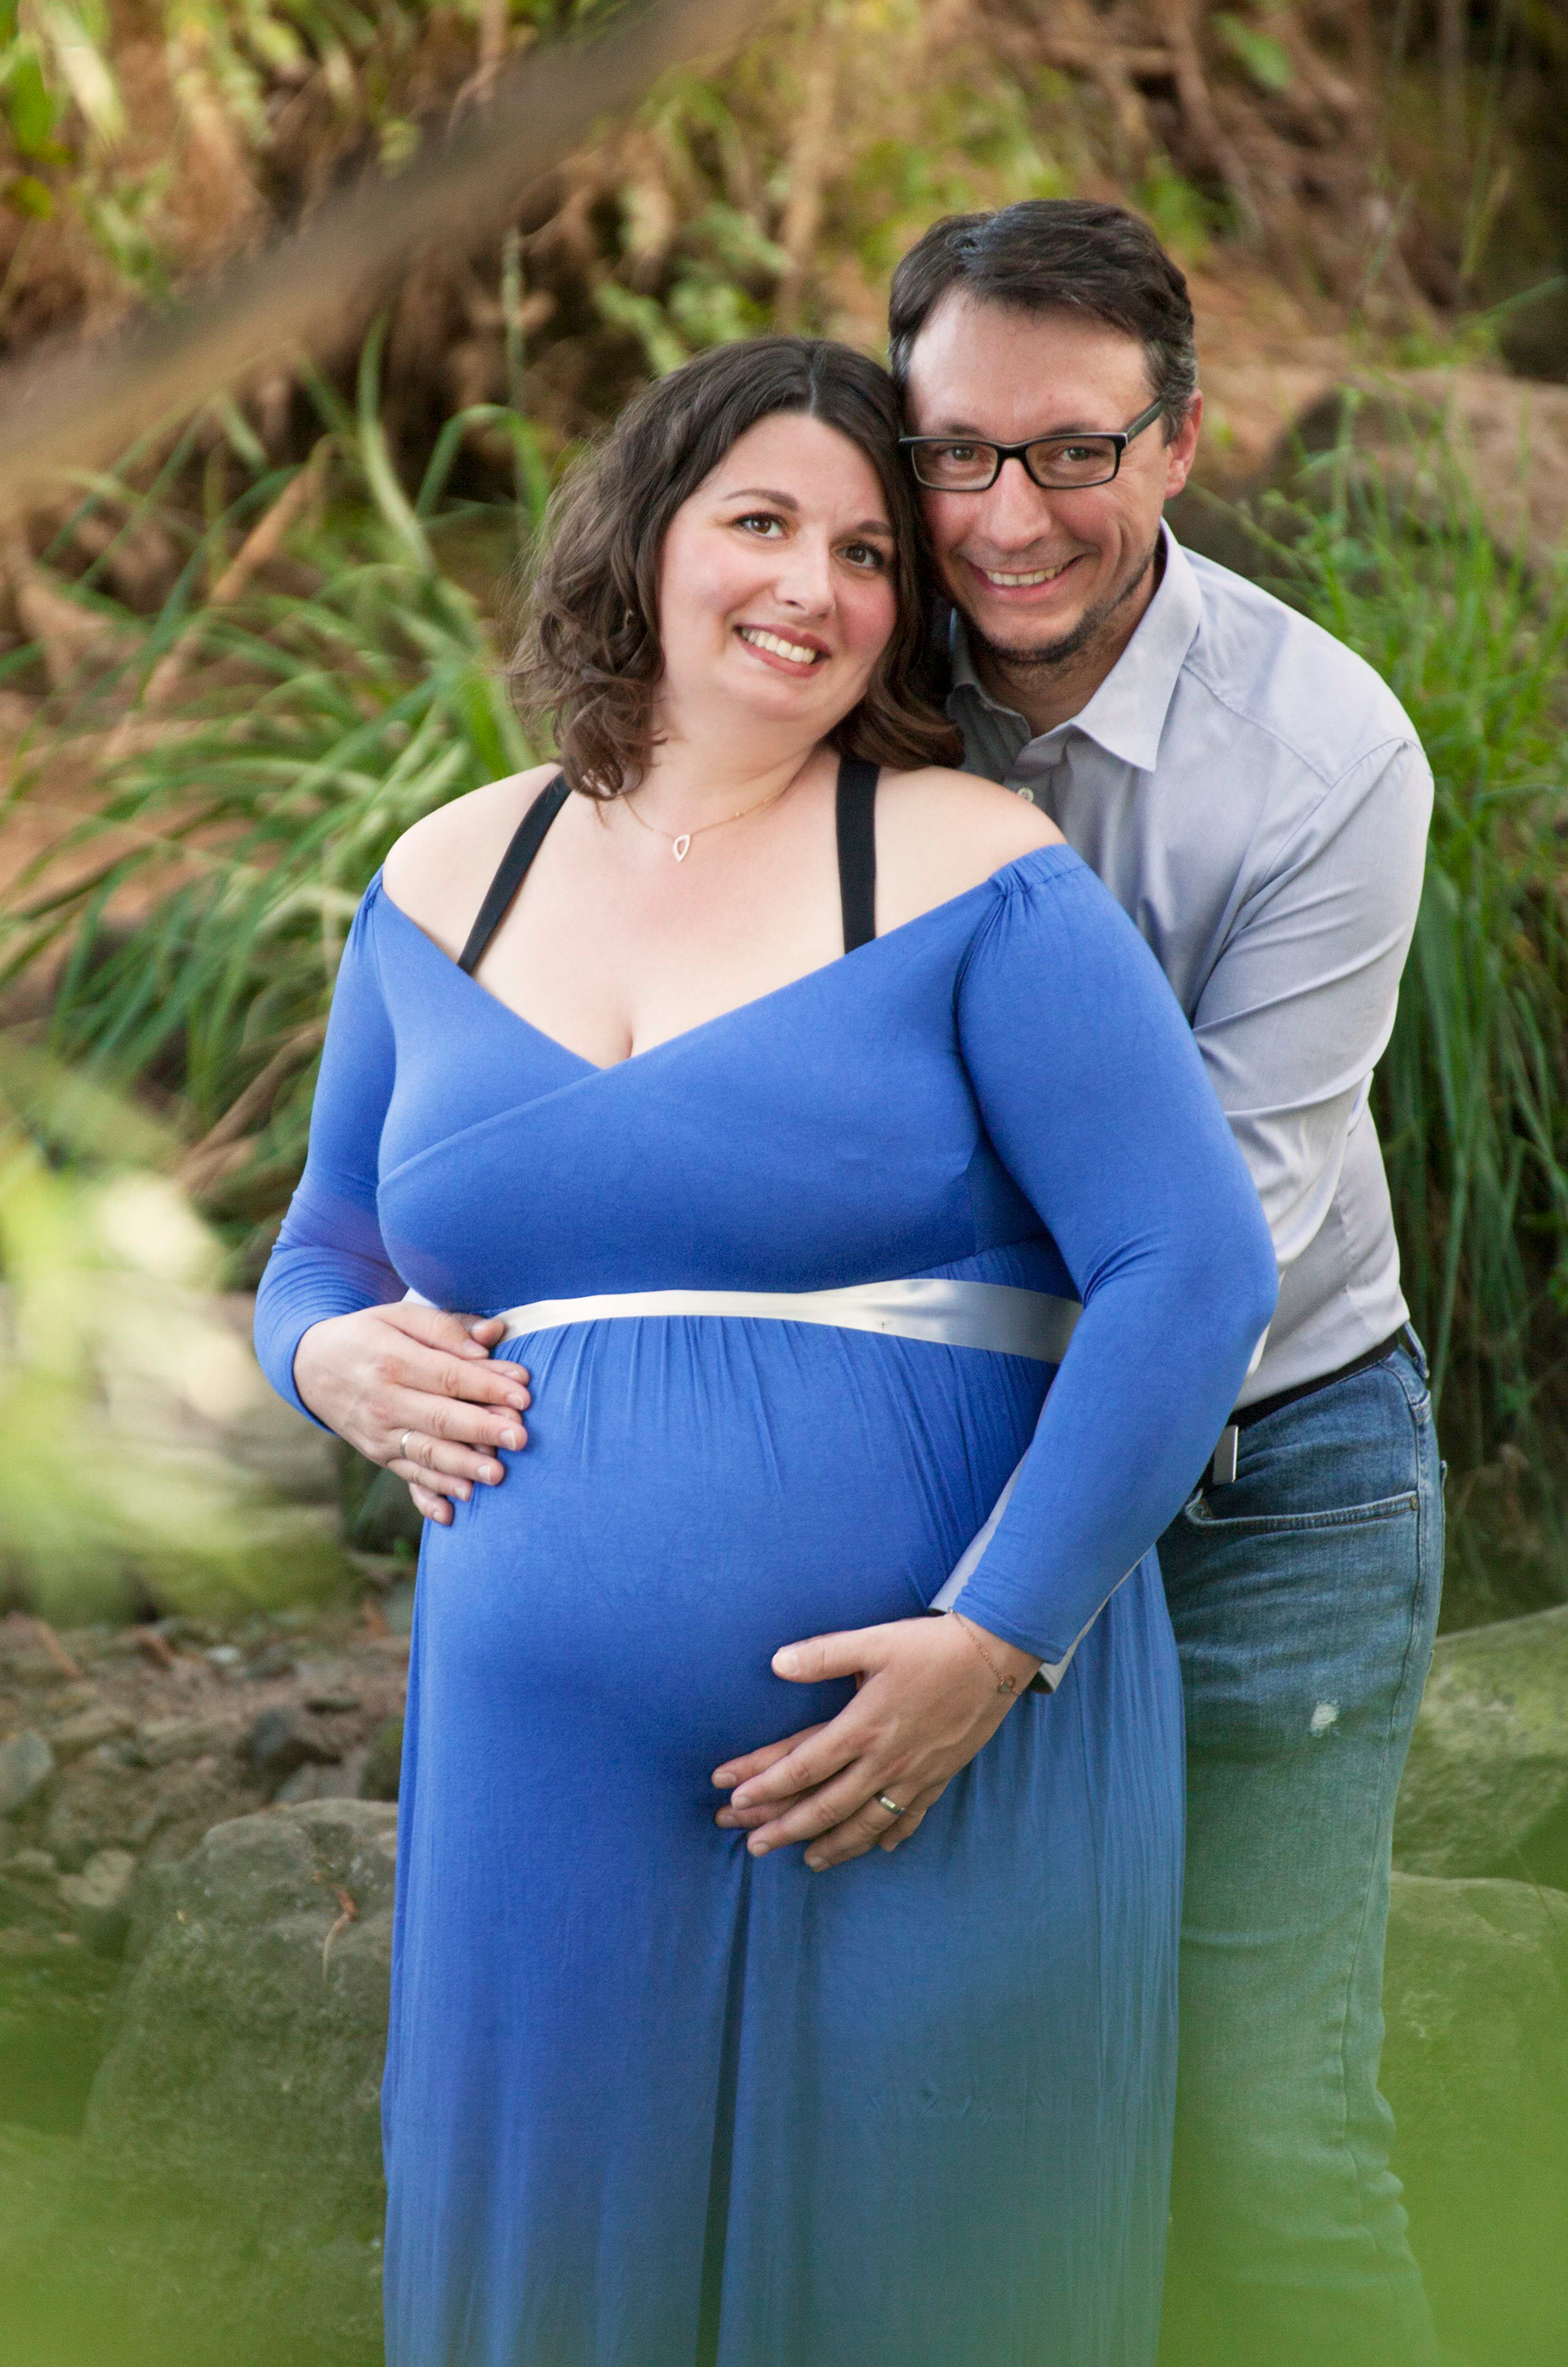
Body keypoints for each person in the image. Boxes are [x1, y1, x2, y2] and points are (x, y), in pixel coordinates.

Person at [255, 333, 1276, 2366]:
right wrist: (326, 1363)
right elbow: (319, 1253)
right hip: (537, 1748)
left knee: (927, 2287)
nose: (814, 585)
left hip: (923, 1741)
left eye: (869, 552)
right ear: (648, 537)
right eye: (761, 523)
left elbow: (1189, 1266)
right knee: (553, 2290)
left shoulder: (971, 864)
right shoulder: (445, 877)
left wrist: (998, 1642)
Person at [880, 202, 1443, 2367]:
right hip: (916, 1447)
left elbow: (1222, 1242)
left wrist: (1003, 1616)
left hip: (1263, 1490)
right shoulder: (833, 658)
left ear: (1183, 443)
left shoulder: (1320, 755)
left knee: (1260, 2133)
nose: (1007, 517)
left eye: (1074, 452)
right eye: (956, 453)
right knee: (960, 2116)